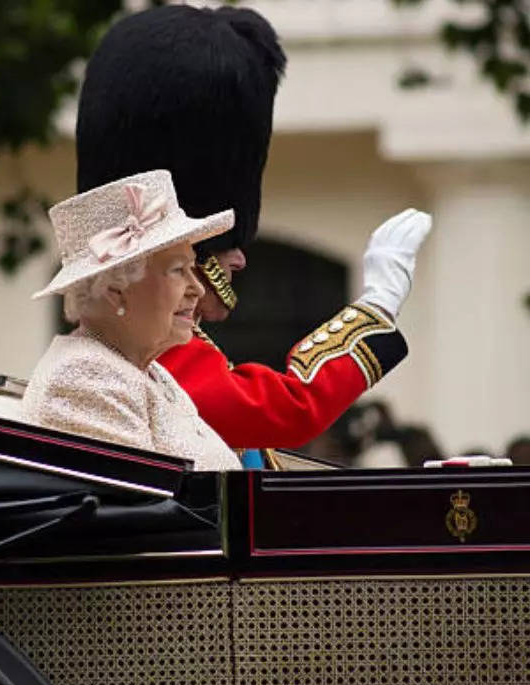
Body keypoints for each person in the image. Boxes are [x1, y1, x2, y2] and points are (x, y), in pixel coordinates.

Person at [74, 5, 431, 461]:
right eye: (220, 243)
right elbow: (289, 407)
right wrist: (374, 307)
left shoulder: (162, 346)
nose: (239, 258)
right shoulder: (152, 354)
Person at [22, 169, 240, 471]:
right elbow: (151, 511)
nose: (198, 289)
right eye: (178, 271)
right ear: (115, 291)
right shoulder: (86, 377)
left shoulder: (147, 372)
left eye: (193, 269)